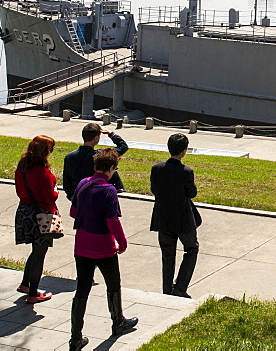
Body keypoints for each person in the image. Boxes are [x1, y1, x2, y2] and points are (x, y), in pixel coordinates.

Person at [68, 148, 138, 350]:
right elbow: (112, 221)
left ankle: (75, 337)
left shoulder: (83, 184)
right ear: (110, 168)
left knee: (82, 290)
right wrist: (122, 242)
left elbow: (74, 212)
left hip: (81, 245)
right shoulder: (109, 190)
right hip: (104, 247)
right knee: (113, 285)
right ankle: (118, 322)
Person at [149, 133, 200, 298]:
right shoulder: (186, 171)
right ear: (184, 151)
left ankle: (166, 289)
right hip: (183, 219)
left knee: (167, 254)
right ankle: (180, 287)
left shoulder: (156, 169)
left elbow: (154, 190)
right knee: (191, 249)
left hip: (163, 218)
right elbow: (192, 193)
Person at [14, 135, 59, 304]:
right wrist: (56, 190)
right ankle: (33, 292)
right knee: (40, 252)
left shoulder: (22, 168)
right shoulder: (43, 172)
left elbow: (19, 190)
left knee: (35, 250)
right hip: (42, 214)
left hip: (24, 211)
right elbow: (50, 197)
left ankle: (26, 283)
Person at [63, 122, 129, 199]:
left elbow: (66, 182)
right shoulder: (101, 156)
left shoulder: (69, 157)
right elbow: (123, 146)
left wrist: (72, 196)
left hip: (77, 196)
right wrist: (111, 134)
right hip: (97, 196)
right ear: (96, 138)